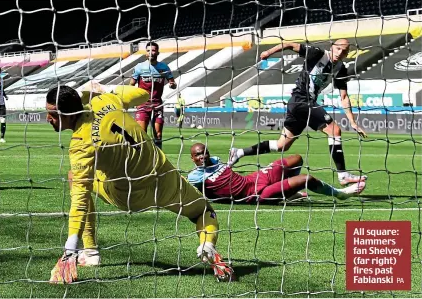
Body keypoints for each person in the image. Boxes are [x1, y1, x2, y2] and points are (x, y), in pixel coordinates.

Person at [46, 82, 233, 284]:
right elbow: (143, 94)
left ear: (71, 113)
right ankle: (207, 244)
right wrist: (103, 91)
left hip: (129, 195)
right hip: (164, 178)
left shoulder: (81, 145)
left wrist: (69, 249)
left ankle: (90, 252)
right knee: (203, 211)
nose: (48, 118)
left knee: (75, 178)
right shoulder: (106, 100)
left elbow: (80, 200)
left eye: (54, 114)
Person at [229, 39, 368, 186]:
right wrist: (268, 52)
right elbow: (289, 44)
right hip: (301, 100)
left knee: (281, 145)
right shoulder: (317, 54)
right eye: (338, 49)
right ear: (332, 47)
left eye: (344, 51)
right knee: (334, 131)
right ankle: (343, 175)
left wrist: (353, 122)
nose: (340, 53)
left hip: (301, 104)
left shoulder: (341, 69)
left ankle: (238, 152)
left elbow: (344, 97)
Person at [188, 143, 365, 202]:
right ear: (193, 159)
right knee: (306, 179)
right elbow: (185, 188)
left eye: (205, 152)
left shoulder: (216, 161)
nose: (203, 156)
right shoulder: (195, 177)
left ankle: (286, 193)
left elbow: (227, 175)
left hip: (255, 178)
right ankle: (340, 194)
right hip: (256, 194)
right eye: (198, 155)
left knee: (296, 159)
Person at [130, 41, 177, 150]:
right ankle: (144, 157)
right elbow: (131, 84)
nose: (150, 52)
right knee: (142, 134)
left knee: (158, 135)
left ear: (158, 52)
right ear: (145, 53)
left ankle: (159, 158)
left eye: (153, 50)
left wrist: (172, 84)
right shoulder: (139, 67)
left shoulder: (164, 67)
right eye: (148, 50)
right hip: (142, 105)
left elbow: (173, 83)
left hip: (157, 105)